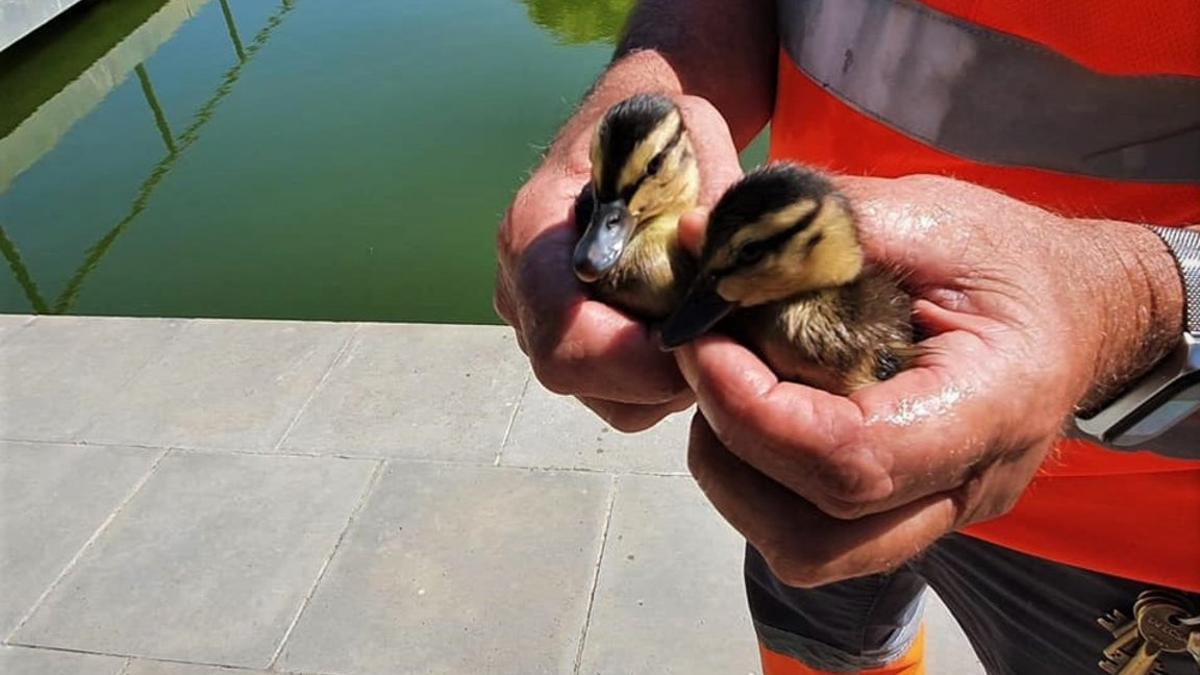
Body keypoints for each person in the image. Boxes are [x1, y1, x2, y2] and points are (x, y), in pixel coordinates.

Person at [494, 1, 1200, 673]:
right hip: (803, 418)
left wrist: (1141, 299)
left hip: (1133, 518)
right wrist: (659, 81)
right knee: (815, 647)